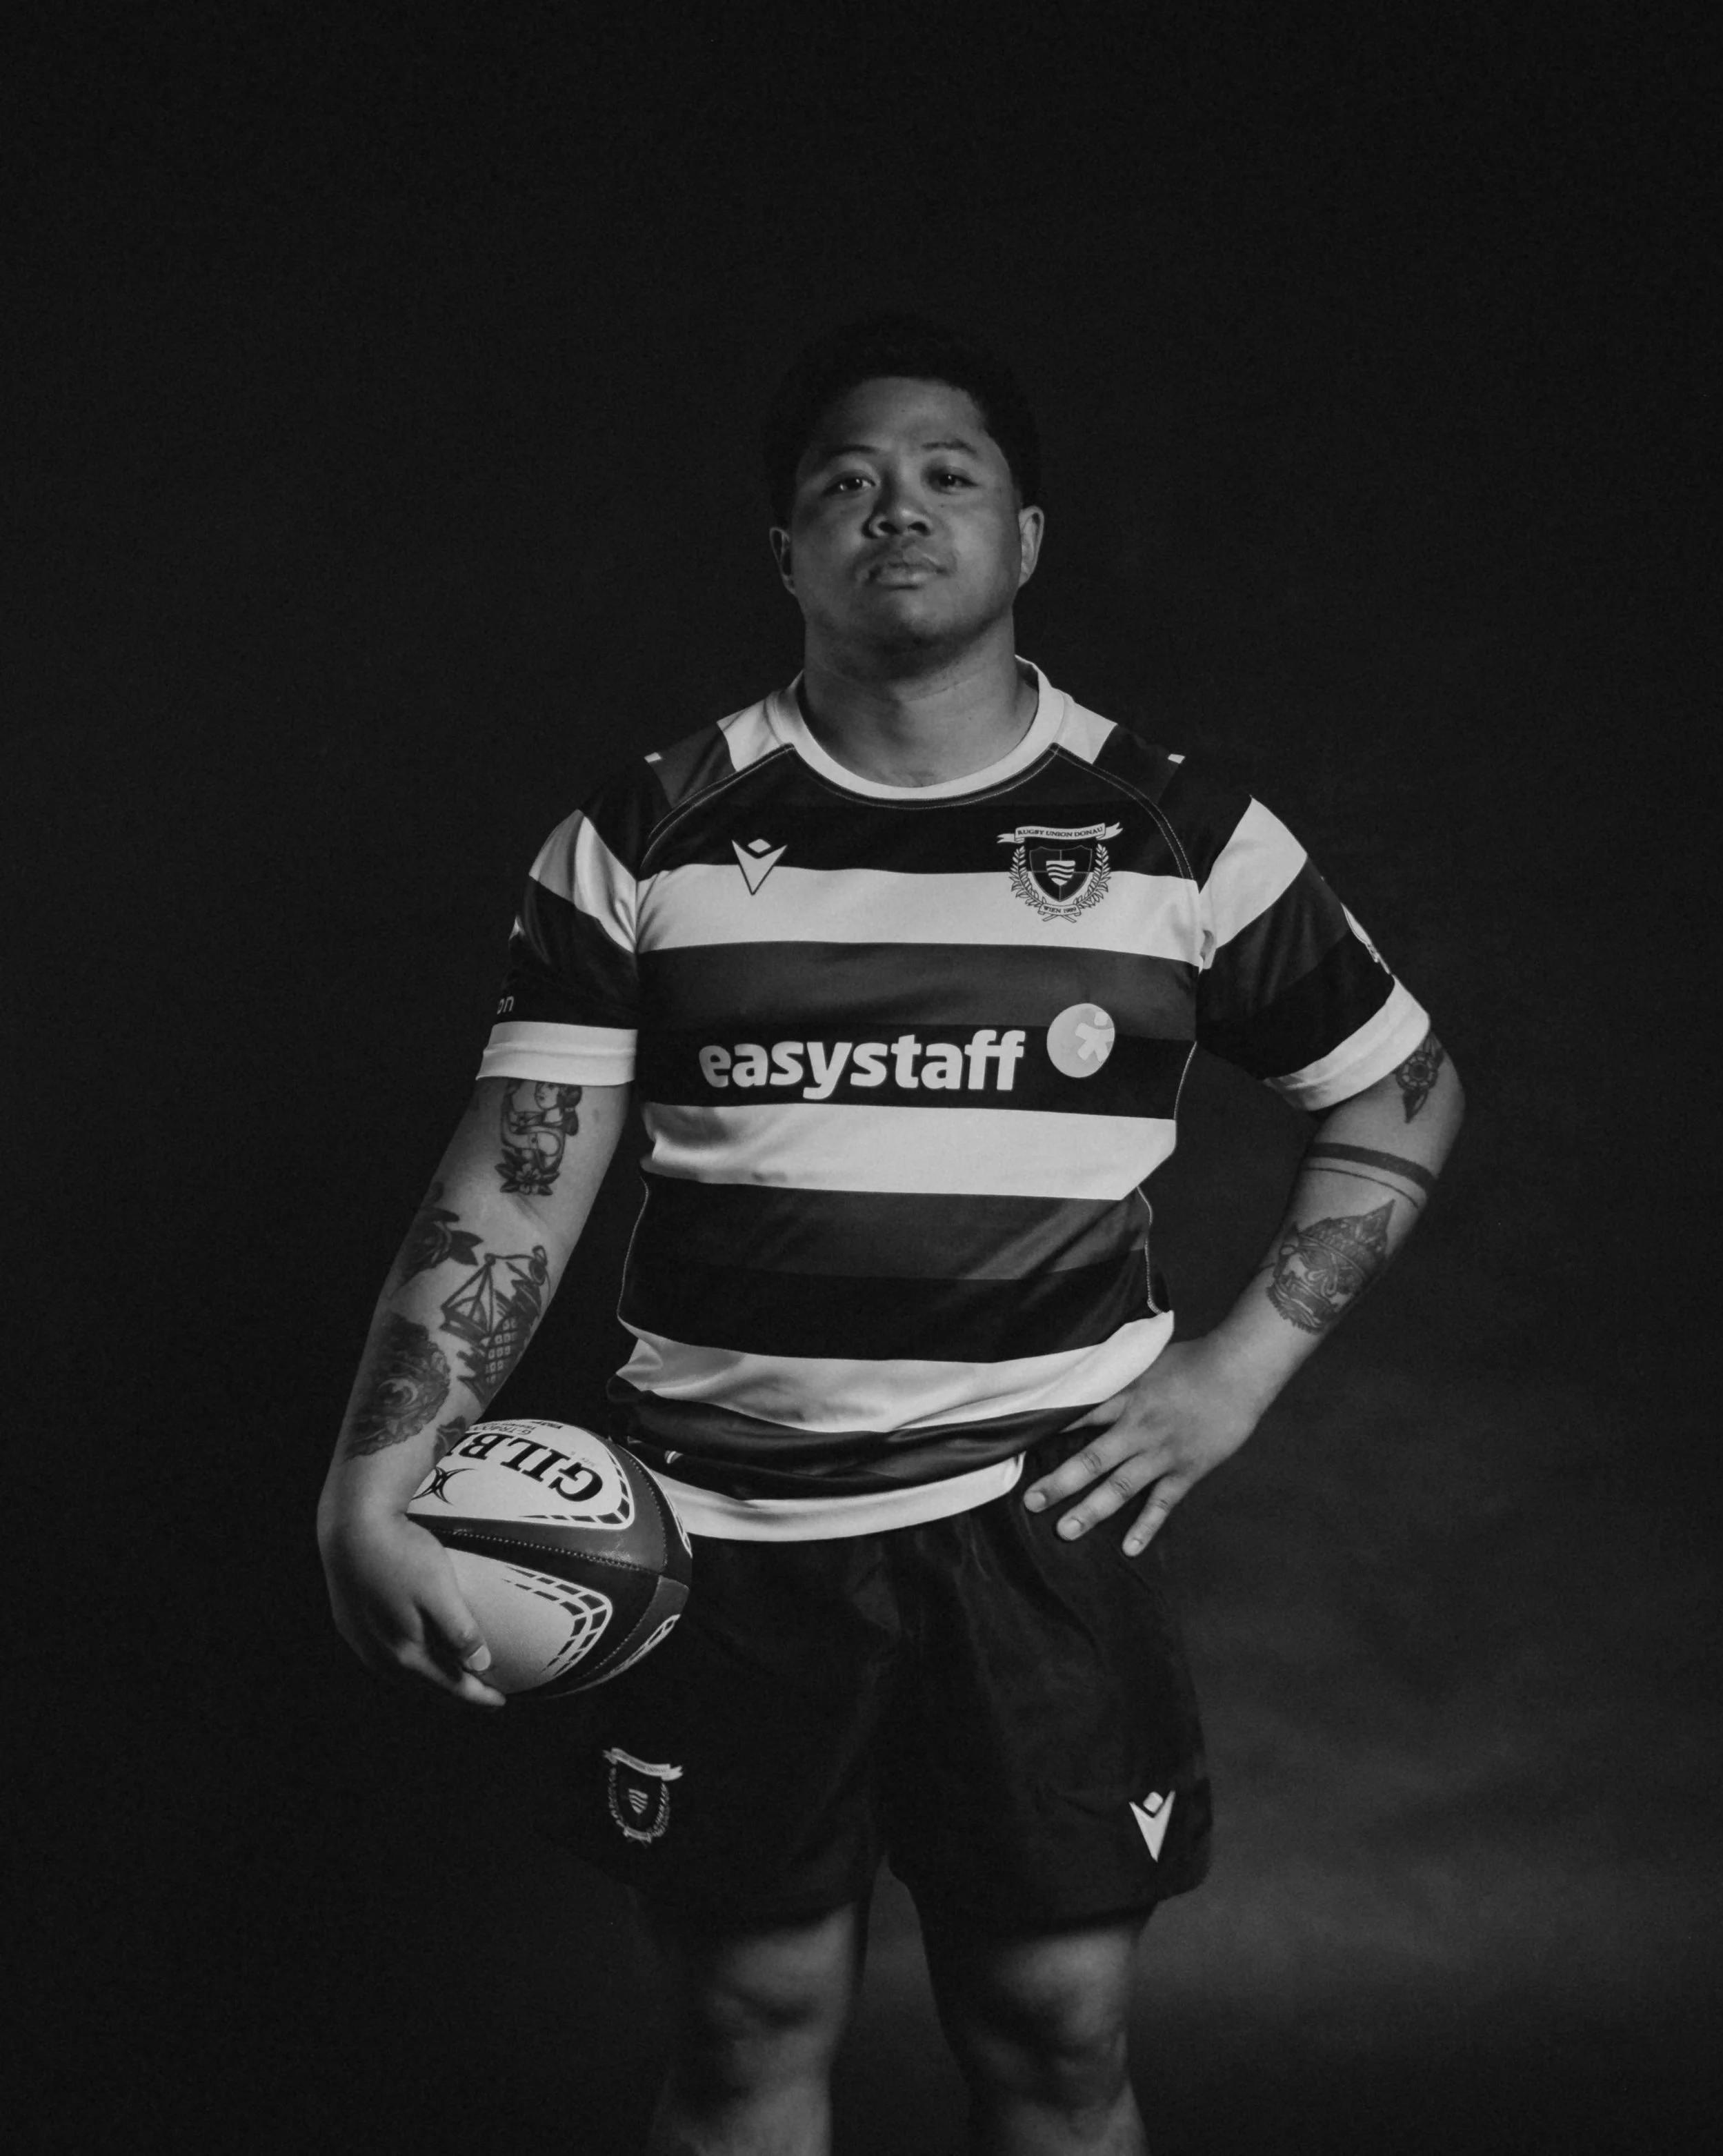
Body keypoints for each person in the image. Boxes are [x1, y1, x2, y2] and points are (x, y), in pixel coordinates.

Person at [318, 313, 1464, 2155]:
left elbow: (1397, 1093)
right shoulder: (647, 831)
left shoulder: (1176, 833)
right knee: (747, 2009)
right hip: (722, 1534)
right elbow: (515, 1173)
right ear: (786, 555)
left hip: (1036, 1534)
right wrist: (369, 1479)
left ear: (1025, 537)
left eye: (950, 475)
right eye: (841, 484)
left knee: (1055, 2025)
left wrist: (1238, 1371)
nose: (897, 510)